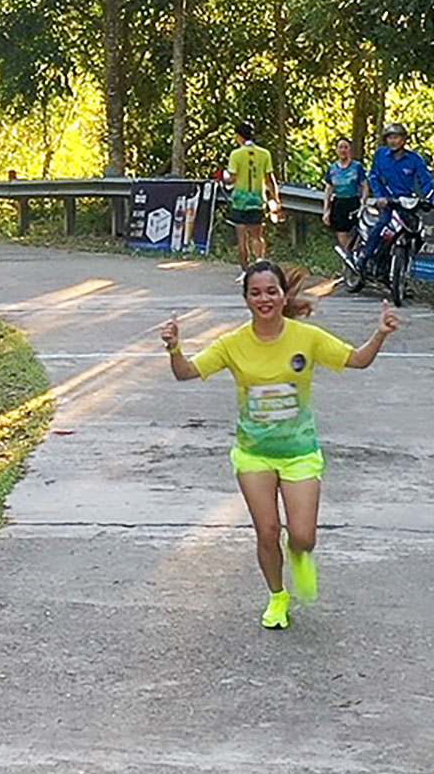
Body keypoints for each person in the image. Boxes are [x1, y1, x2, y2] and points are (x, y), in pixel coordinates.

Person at [159, 260, 400, 630]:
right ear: (246, 299)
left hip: (300, 452)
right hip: (253, 453)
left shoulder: (306, 337)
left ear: (283, 295)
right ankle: (277, 596)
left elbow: (357, 360)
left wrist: (380, 334)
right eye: (255, 293)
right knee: (267, 531)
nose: (264, 299)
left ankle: (299, 554)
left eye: (271, 291)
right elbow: (187, 372)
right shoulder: (232, 343)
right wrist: (175, 348)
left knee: (303, 536)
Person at [358, 123, 434, 268]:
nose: (393, 141)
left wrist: (432, 199)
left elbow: (425, 180)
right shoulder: (381, 155)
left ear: (404, 139)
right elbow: (373, 176)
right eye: (390, 138)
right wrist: (380, 196)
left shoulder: (414, 159)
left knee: (417, 233)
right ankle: (364, 256)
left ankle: (402, 267)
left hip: (405, 203)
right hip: (386, 202)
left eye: (397, 137)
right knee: (382, 223)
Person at [223, 122, 279, 279]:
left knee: (242, 239)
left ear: (238, 136)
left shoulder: (236, 154)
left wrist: (225, 176)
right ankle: (260, 263)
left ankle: (245, 270)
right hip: (256, 200)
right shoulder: (264, 154)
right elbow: (270, 179)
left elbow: (231, 177)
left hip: (240, 201)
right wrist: (275, 199)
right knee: (257, 236)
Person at [322, 136, 368, 258]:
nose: (343, 150)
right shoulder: (332, 168)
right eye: (340, 147)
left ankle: (353, 257)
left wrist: (363, 203)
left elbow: (364, 185)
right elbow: (329, 189)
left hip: (353, 202)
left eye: (346, 147)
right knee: (341, 233)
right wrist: (326, 210)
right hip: (339, 203)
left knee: (353, 233)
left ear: (350, 150)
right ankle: (348, 257)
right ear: (337, 150)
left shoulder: (357, 167)